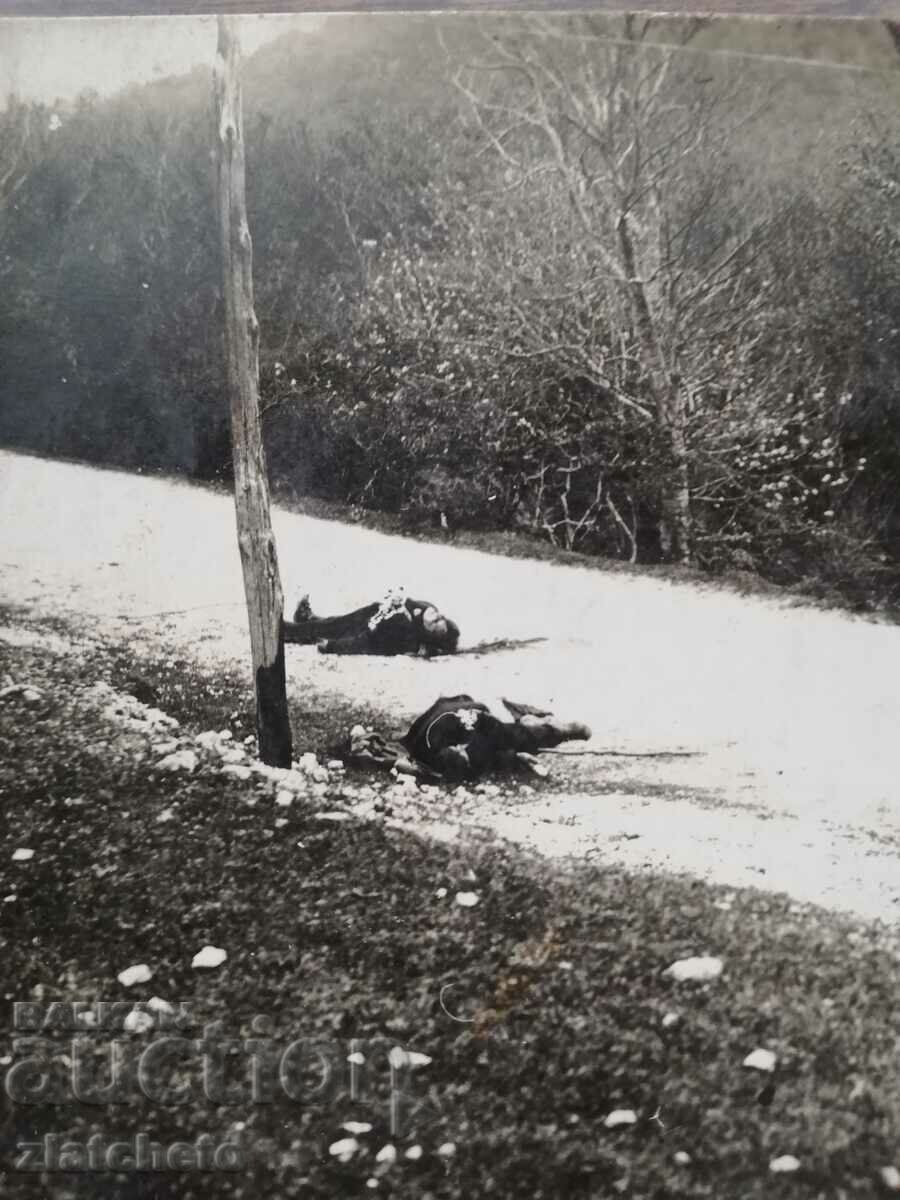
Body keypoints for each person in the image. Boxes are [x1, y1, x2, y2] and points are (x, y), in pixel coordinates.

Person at [283, 587, 460, 657]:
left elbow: (367, 643)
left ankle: (289, 632)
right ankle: (307, 619)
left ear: (427, 633)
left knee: (331, 629)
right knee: (334, 623)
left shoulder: (406, 633)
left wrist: (332, 647)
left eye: (435, 622)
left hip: (365, 630)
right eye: (440, 616)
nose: (436, 616)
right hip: (367, 616)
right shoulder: (424, 609)